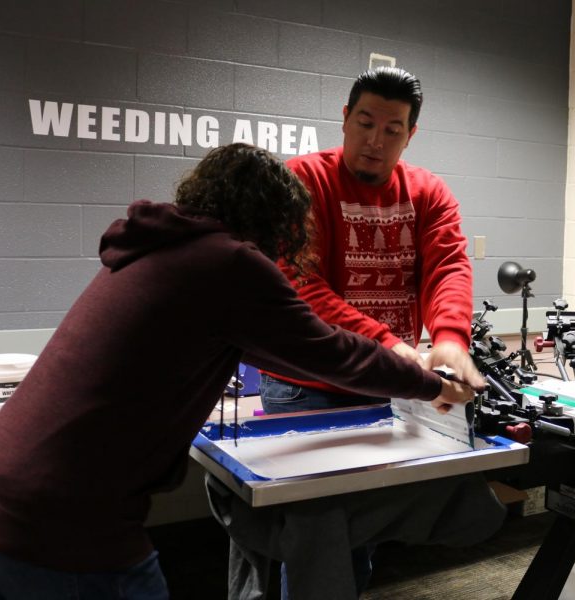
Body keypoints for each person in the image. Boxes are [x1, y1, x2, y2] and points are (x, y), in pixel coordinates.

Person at [0, 143, 475, 600]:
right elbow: (329, 352)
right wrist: (431, 383)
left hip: (5, 490)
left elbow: (282, 348)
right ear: (275, 218)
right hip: (63, 519)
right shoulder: (230, 265)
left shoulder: (161, 248)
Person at [215, 67, 505, 600]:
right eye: (365, 122)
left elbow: (448, 266)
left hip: (383, 386)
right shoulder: (304, 180)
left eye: (392, 128)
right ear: (345, 118)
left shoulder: (428, 191)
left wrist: (449, 337)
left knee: (357, 529)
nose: (375, 140)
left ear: (410, 133)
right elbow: (301, 284)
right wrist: (391, 345)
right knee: (307, 528)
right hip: (304, 384)